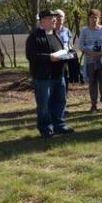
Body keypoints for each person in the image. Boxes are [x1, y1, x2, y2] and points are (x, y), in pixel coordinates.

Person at [25, 10, 74, 138]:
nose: (54, 20)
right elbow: (31, 56)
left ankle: (59, 126)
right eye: (51, 18)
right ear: (42, 21)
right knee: (44, 105)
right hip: (43, 78)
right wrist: (49, 58)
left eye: (54, 18)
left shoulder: (55, 35)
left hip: (58, 76)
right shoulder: (34, 36)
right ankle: (45, 129)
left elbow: (60, 51)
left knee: (59, 102)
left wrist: (67, 54)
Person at [78, 9, 102, 112]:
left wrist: (100, 53)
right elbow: (81, 46)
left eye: (96, 18)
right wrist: (91, 53)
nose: (94, 20)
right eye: (92, 17)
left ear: (98, 19)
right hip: (90, 61)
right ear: (88, 19)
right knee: (92, 83)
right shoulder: (84, 31)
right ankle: (93, 105)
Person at [52, 9, 76, 91]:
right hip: (53, 60)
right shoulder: (49, 31)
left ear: (64, 18)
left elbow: (70, 44)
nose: (59, 18)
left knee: (65, 79)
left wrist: (68, 50)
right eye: (57, 16)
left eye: (61, 16)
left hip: (64, 60)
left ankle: (63, 99)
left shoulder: (67, 31)